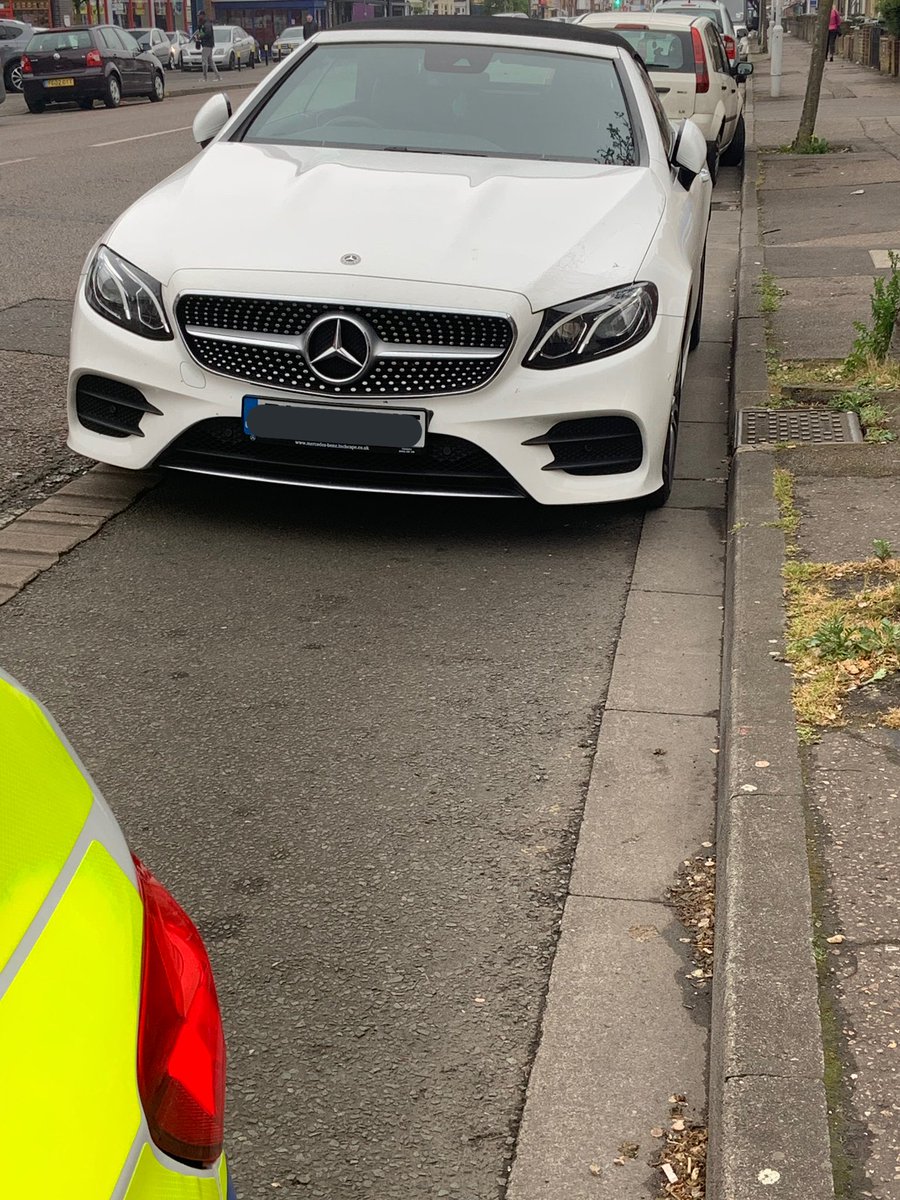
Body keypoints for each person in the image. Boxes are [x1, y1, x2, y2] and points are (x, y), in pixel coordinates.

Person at [193, 11, 219, 82]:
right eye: (198, 16)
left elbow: (207, 34)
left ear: (203, 16)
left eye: (199, 16)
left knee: (204, 61)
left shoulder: (206, 24)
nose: (198, 17)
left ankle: (205, 78)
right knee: (210, 61)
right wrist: (198, 37)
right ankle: (218, 76)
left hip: (207, 45)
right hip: (208, 44)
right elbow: (202, 33)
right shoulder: (203, 24)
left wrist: (199, 37)